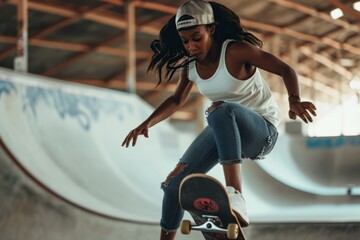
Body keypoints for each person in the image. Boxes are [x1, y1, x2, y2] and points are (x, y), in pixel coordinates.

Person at [122, 0, 317, 239]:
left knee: (220, 110)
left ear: (211, 30)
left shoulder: (235, 50)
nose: (191, 47)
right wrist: (146, 123)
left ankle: (235, 194)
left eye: (197, 38)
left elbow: (286, 69)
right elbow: (175, 101)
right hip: (224, 130)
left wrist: (294, 100)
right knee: (174, 187)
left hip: (261, 132)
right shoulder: (191, 67)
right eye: (185, 41)